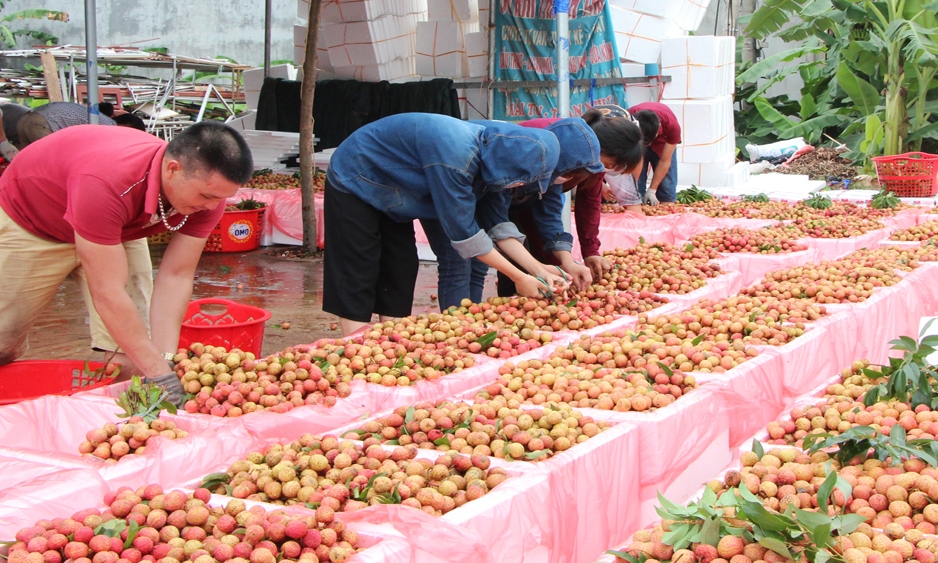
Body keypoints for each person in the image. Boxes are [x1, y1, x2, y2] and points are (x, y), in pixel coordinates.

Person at [0, 121, 253, 403]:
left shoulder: (209, 197)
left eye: (220, 198)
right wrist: (160, 373)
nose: (211, 206)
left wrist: (165, 360)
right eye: (206, 196)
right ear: (172, 170)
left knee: (132, 354)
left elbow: (176, 275)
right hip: (33, 224)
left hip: (115, 228)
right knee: (2, 343)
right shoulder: (109, 181)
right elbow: (108, 293)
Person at [323, 113, 571, 336]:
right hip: (357, 176)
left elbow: (498, 225)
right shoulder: (457, 160)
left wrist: (538, 270)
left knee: (401, 264)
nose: (518, 187)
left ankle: (389, 341)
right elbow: (465, 236)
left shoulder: (499, 158)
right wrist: (518, 277)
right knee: (359, 265)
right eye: (519, 182)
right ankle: (354, 346)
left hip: (395, 189)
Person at [423, 110, 645, 308]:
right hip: (458, 188)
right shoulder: (535, 153)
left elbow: (550, 207)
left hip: (481, 192)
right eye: (607, 165)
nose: (602, 172)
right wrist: (524, 274)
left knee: (481, 262)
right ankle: (460, 321)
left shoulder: (566, 162)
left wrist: (567, 260)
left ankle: (470, 316)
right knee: (459, 261)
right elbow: (493, 215)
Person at [630, 102, 682, 205]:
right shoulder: (629, 120)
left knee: (667, 187)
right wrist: (633, 189)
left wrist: (652, 190)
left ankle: (665, 203)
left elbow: (665, 160)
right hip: (635, 141)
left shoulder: (672, 125)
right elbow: (631, 162)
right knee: (635, 188)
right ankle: (637, 202)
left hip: (663, 143)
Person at [16, 101, 116, 148]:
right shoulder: (110, 125)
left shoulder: (88, 113)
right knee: (47, 160)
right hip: (44, 121)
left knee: (25, 158)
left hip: (27, 118)